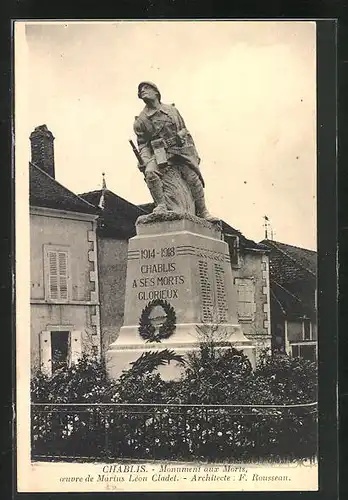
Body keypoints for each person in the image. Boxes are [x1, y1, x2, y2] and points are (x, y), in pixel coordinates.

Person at [133, 81, 218, 222]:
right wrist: (145, 160)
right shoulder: (141, 121)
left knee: (193, 177)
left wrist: (181, 137)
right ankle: (161, 205)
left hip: (180, 150)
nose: (143, 90)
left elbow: (184, 129)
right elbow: (143, 145)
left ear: (156, 92)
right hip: (161, 154)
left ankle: (203, 211)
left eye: (146, 88)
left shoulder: (172, 111)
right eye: (141, 90)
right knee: (150, 173)